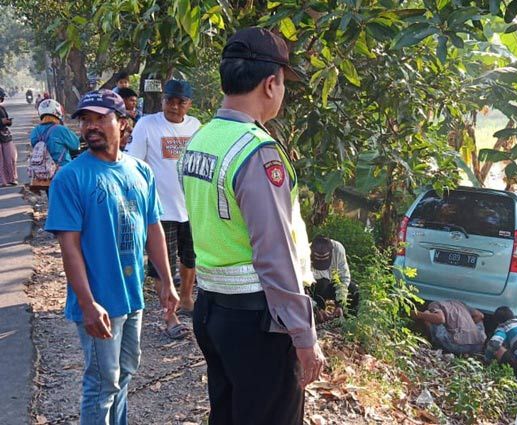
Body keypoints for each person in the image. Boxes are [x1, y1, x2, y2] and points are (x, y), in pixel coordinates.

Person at [179, 27, 325, 424]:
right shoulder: (256, 152)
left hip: (213, 310)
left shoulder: (201, 140)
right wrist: (304, 336)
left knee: (227, 414)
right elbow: (274, 253)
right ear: (271, 83)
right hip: (258, 321)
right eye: (283, 84)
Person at [44, 89, 179, 424]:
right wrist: (87, 303)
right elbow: (69, 247)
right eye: (86, 120)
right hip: (99, 301)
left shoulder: (140, 172)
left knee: (125, 375)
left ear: (123, 123)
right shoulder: (71, 178)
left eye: (100, 118)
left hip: (132, 298)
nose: (91, 126)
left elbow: (153, 229)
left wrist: (165, 280)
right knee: (103, 383)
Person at [125, 79, 201, 339]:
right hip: (159, 209)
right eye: (170, 100)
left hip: (191, 206)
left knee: (190, 258)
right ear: (162, 100)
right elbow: (134, 163)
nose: (175, 106)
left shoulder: (196, 127)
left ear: (189, 105)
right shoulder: (147, 124)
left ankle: (188, 299)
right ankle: (170, 315)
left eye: (181, 102)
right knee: (162, 265)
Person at [309, 235, 359, 320]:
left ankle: (349, 321)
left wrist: (340, 304)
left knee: (353, 289)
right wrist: (315, 308)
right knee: (321, 284)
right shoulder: (303, 252)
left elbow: (344, 278)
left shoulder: (338, 249)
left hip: (334, 284)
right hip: (316, 287)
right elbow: (302, 288)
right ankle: (316, 316)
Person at [412, 300, 486, 354]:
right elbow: (480, 315)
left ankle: (434, 344)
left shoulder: (436, 304)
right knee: (479, 322)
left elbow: (440, 319)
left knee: (428, 314)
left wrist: (417, 314)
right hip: (477, 346)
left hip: (457, 345)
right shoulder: (460, 304)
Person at [30, 99, 80, 168]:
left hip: (41, 172)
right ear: (57, 112)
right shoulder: (61, 129)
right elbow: (76, 145)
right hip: (62, 171)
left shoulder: (35, 131)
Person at [0, 89, 17, 187]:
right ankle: (3, 181)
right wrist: (2, 122)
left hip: (5, 136)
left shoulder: (2, 109)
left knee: (10, 157)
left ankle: (12, 178)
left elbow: (7, 122)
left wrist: (8, 122)